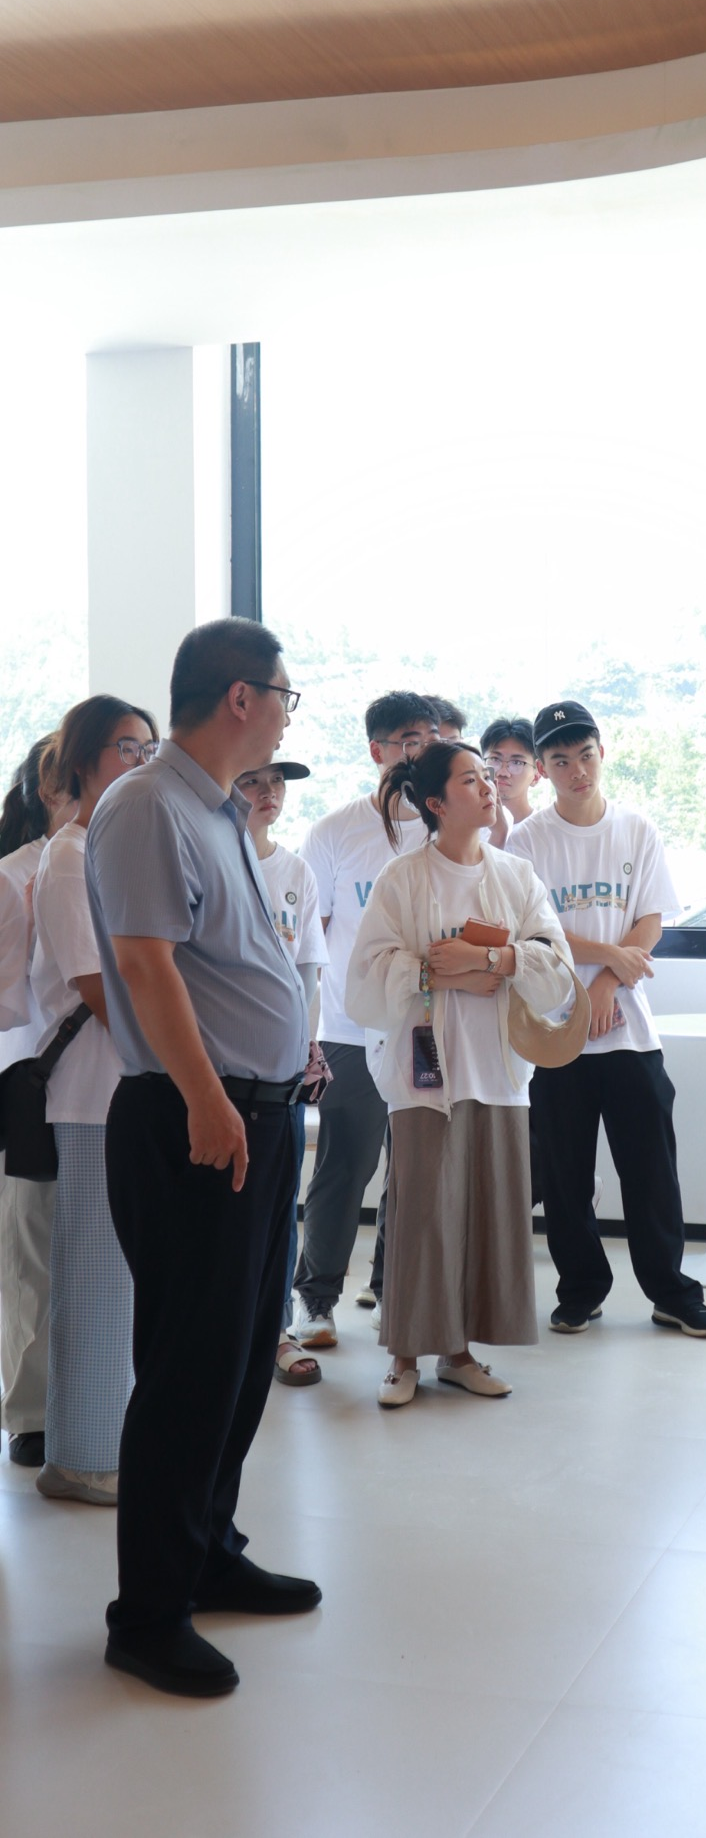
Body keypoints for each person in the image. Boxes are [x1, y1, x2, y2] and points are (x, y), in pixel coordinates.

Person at [86, 616, 318, 1699]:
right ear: (241, 697)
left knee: (239, 1354)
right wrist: (208, 1098)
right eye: (284, 697)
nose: (286, 716)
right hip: (196, 1122)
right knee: (188, 1369)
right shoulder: (148, 804)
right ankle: (148, 1613)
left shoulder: (218, 809)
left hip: (256, 1118)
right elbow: (145, 965)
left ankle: (208, 1551)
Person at [346, 740, 573, 1405]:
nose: (489, 786)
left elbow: (555, 964)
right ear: (436, 803)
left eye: (487, 776)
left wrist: (492, 962)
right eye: (470, 780)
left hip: (498, 1073)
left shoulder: (516, 875)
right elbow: (365, 977)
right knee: (423, 1215)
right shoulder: (402, 878)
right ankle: (403, 1357)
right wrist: (432, 972)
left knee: (484, 1213)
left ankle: (460, 1352)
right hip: (426, 1074)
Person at [507, 701, 706, 1340]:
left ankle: (671, 1292)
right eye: (560, 760)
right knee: (566, 1176)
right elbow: (536, 930)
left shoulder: (636, 829)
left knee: (652, 1171)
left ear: (602, 753)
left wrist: (605, 985)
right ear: (542, 770)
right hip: (556, 1030)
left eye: (585, 755)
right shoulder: (528, 841)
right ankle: (580, 1290)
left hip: (629, 1030)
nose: (577, 770)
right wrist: (605, 960)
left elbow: (650, 920)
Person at [31, 696, 159, 1506]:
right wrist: (172, 1060)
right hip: (91, 1095)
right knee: (94, 1279)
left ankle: (105, 1446)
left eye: (149, 747)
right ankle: (80, 1457)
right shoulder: (71, 855)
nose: (141, 760)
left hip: (125, 1090)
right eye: (125, 747)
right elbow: (95, 983)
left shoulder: (112, 849)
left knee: (120, 1280)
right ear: (82, 760)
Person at [292, 691, 440, 1344]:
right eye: (406, 738)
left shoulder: (447, 827)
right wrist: (307, 1033)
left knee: (415, 1167)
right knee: (344, 1168)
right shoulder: (334, 832)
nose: (419, 750)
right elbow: (310, 941)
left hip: (428, 1033)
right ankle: (316, 1298)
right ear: (377, 749)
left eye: (428, 737)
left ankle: (391, 1289)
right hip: (352, 1030)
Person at [237, 756, 329, 1388]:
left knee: (278, 1204)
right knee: (226, 1206)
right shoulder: (212, 859)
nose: (268, 792)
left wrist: (305, 1048)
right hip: (222, 1069)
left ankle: (274, 1330)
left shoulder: (295, 870)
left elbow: (307, 973)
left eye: (277, 782)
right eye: (253, 780)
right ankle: (229, 1331)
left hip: (284, 1071)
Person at [0, 735, 72, 1467]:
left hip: (110, 1085)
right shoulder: (15, 875)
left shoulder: (117, 862)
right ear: (51, 790)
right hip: (30, 1081)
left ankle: (95, 1399)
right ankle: (31, 1412)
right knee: (33, 1252)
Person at [481, 716, 540, 849]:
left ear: (537, 775)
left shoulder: (541, 831)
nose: (503, 772)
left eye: (517, 763)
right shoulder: (465, 826)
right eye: (495, 759)